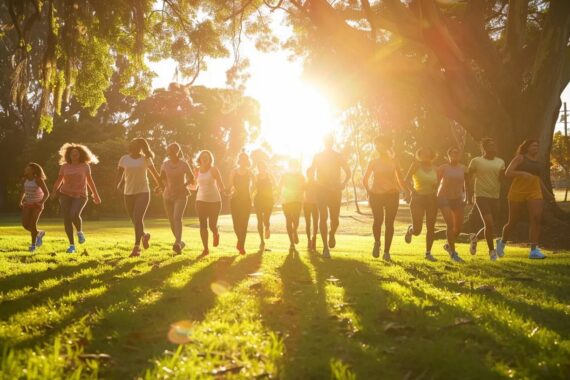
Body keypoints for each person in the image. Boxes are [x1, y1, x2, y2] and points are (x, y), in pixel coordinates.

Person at [497, 139, 553, 259]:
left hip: (534, 191)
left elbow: (538, 179)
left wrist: (548, 194)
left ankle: (533, 250)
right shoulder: (520, 158)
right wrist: (522, 173)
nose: (536, 148)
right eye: (533, 146)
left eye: (537, 146)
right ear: (527, 147)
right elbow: (507, 173)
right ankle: (502, 242)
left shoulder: (538, 162)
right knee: (513, 220)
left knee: (536, 218)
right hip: (518, 190)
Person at [51, 143, 101, 253]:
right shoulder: (64, 166)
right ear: (68, 155)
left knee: (73, 214)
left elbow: (90, 181)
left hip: (80, 195)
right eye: (72, 153)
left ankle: (79, 232)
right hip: (65, 194)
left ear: (80, 155)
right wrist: (54, 192)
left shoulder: (85, 166)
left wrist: (96, 195)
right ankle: (72, 245)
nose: (74, 155)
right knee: (67, 219)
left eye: (76, 153)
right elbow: (59, 180)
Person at [116, 138, 161, 257]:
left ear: (141, 147)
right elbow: (120, 173)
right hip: (128, 193)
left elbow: (154, 173)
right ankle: (144, 236)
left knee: (137, 217)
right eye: (133, 144)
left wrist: (160, 185)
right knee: (135, 220)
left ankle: (136, 248)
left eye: (138, 145)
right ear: (130, 146)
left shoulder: (146, 159)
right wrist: (118, 184)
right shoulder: (124, 159)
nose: (135, 146)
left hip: (143, 192)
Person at [362, 136, 405, 260]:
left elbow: (400, 179)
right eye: (376, 145)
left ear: (386, 145)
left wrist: (406, 191)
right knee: (378, 220)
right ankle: (377, 242)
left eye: (379, 144)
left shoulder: (394, 162)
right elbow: (365, 179)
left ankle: (386, 252)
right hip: (376, 195)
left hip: (392, 195)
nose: (377, 146)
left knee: (389, 223)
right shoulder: (373, 162)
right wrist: (369, 191)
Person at [310, 134, 351, 258]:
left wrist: (343, 183)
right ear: (324, 142)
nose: (328, 143)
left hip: (335, 191)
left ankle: (332, 233)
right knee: (323, 217)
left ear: (332, 142)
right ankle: (325, 248)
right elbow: (311, 172)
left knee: (335, 220)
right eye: (326, 141)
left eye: (330, 141)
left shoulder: (338, 156)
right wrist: (314, 183)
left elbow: (348, 172)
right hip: (321, 190)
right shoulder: (317, 156)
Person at [467, 138, 505, 260]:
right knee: (488, 223)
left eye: (494, 145)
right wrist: (469, 196)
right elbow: (468, 178)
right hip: (481, 195)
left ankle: (475, 238)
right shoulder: (476, 161)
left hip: (495, 196)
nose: (492, 147)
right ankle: (492, 252)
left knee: (491, 225)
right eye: (489, 145)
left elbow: (502, 179)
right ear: (483, 148)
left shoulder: (500, 162)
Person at [403, 147, 439, 261]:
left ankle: (428, 253)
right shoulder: (415, 166)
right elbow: (406, 180)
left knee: (431, 227)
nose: (425, 157)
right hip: (418, 199)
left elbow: (439, 183)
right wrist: (412, 191)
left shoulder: (436, 168)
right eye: (422, 154)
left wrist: (436, 187)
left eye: (427, 154)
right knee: (417, 230)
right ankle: (411, 230)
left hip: (432, 200)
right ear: (419, 156)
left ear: (431, 156)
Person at [159, 142, 194, 255]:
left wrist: (183, 185)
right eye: (169, 151)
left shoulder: (183, 164)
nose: (170, 153)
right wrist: (164, 186)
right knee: (171, 222)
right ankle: (180, 244)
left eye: (173, 151)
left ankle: (177, 243)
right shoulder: (165, 164)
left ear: (177, 152)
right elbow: (162, 178)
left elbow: (191, 177)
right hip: (167, 195)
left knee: (177, 218)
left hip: (181, 195)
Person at [437, 147, 468, 263]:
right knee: (450, 225)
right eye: (453, 153)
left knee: (458, 229)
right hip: (443, 197)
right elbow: (435, 182)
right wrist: (433, 197)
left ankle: (448, 245)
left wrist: (468, 198)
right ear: (449, 155)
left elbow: (468, 184)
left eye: (457, 153)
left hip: (457, 199)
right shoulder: (443, 168)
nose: (455, 155)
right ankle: (453, 254)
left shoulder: (463, 168)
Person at [194, 150, 226, 257]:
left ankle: (216, 234)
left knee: (212, 225)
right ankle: (206, 249)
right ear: (200, 158)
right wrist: (184, 187)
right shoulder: (196, 170)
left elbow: (221, 184)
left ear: (210, 159)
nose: (205, 158)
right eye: (203, 156)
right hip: (200, 201)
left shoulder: (213, 170)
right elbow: (194, 186)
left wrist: (225, 191)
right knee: (203, 225)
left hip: (214, 201)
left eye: (207, 156)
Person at [20, 163, 49, 252]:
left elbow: (47, 193)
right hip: (28, 204)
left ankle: (33, 246)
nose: (26, 169)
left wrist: (40, 203)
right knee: (25, 225)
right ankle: (39, 233)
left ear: (33, 170)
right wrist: (20, 201)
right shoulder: (24, 180)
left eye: (28, 168)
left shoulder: (38, 180)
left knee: (32, 224)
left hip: (37, 205)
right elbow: (23, 191)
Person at [228, 152, 253, 255]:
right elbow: (230, 185)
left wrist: (252, 193)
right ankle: (240, 240)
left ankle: (241, 246)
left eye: (245, 159)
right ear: (239, 160)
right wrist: (232, 191)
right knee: (236, 224)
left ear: (247, 161)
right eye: (241, 159)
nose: (243, 161)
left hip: (246, 200)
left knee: (244, 224)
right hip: (235, 200)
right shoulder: (234, 171)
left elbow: (255, 184)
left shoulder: (250, 172)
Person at [280, 160, 305, 253]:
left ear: (297, 166)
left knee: (296, 220)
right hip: (286, 201)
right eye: (292, 165)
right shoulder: (284, 175)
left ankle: (294, 231)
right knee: (288, 221)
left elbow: (304, 188)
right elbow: (280, 186)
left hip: (297, 201)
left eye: (295, 165)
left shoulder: (301, 176)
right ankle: (291, 243)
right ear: (289, 166)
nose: (293, 167)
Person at [253, 159, 274, 252]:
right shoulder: (256, 177)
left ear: (265, 167)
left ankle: (267, 227)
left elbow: (276, 186)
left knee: (266, 219)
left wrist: (275, 196)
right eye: (259, 167)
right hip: (258, 200)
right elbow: (253, 187)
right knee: (259, 220)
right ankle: (262, 241)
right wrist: (249, 196)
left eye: (262, 167)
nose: (260, 168)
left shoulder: (270, 176)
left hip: (268, 200)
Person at [303, 167, 319, 252]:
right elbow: (301, 192)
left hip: (315, 204)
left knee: (315, 223)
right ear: (307, 174)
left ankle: (314, 239)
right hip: (306, 205)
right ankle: (309, 241)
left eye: (312, 173)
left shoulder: (317, 183)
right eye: (309, 174)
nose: (311, 175)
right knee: (308, 223)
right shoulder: (305, 183)